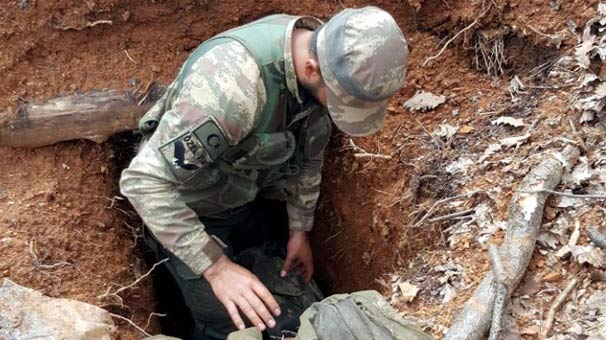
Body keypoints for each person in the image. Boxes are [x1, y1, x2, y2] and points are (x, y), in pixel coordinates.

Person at [120, 6, 409, 340]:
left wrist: (299, 230)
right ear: (312, 69)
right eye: (342, 102)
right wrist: (216, 268)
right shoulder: (231, 90)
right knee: (232, 324)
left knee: (291, 302)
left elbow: (311, 152)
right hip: (186, 212)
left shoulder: (318, 56)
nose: (339, 110)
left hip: (243, 198)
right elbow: (143, 180)